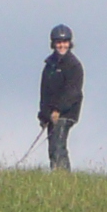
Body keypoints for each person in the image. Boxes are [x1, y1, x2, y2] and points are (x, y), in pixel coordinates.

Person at [39, 25, 83, 171]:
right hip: (51, 114)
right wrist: (44, 115)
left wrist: (58, 109)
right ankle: (56, 175)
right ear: (53, 44)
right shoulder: (49, 65)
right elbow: (44, 92)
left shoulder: (73, 65)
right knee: (52, 149)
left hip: (65, 113)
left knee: (58, 147)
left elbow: (73, 92)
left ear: (70, 43)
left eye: (65, 42)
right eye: (58, 42)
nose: (62, 45)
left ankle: (63, 177)